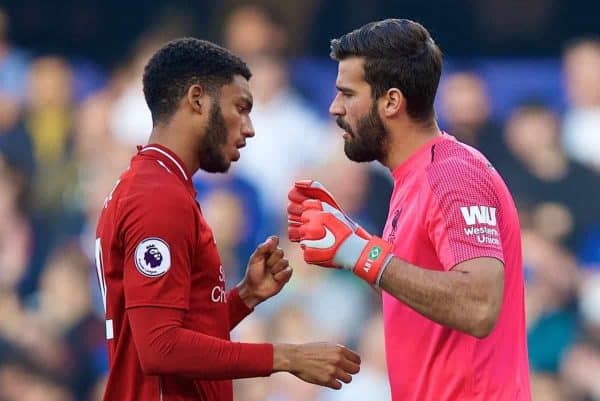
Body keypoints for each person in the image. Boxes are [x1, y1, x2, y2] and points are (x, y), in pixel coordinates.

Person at [95, 38, 360, 401]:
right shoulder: (157, 197)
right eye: (241, 108)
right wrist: (287, 357)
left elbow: (180, 333)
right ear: (197, 99)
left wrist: (244, 298)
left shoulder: (155, 185)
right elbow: (159, 347)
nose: (249, 128)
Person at [287, 19, 531, 401]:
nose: (335, 107)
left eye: (347, 94)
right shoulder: (414, 177)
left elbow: (479, 304)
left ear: (391, 102)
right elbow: (421, 287)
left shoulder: (451, 176)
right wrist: (350, 240)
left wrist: (358, 252)